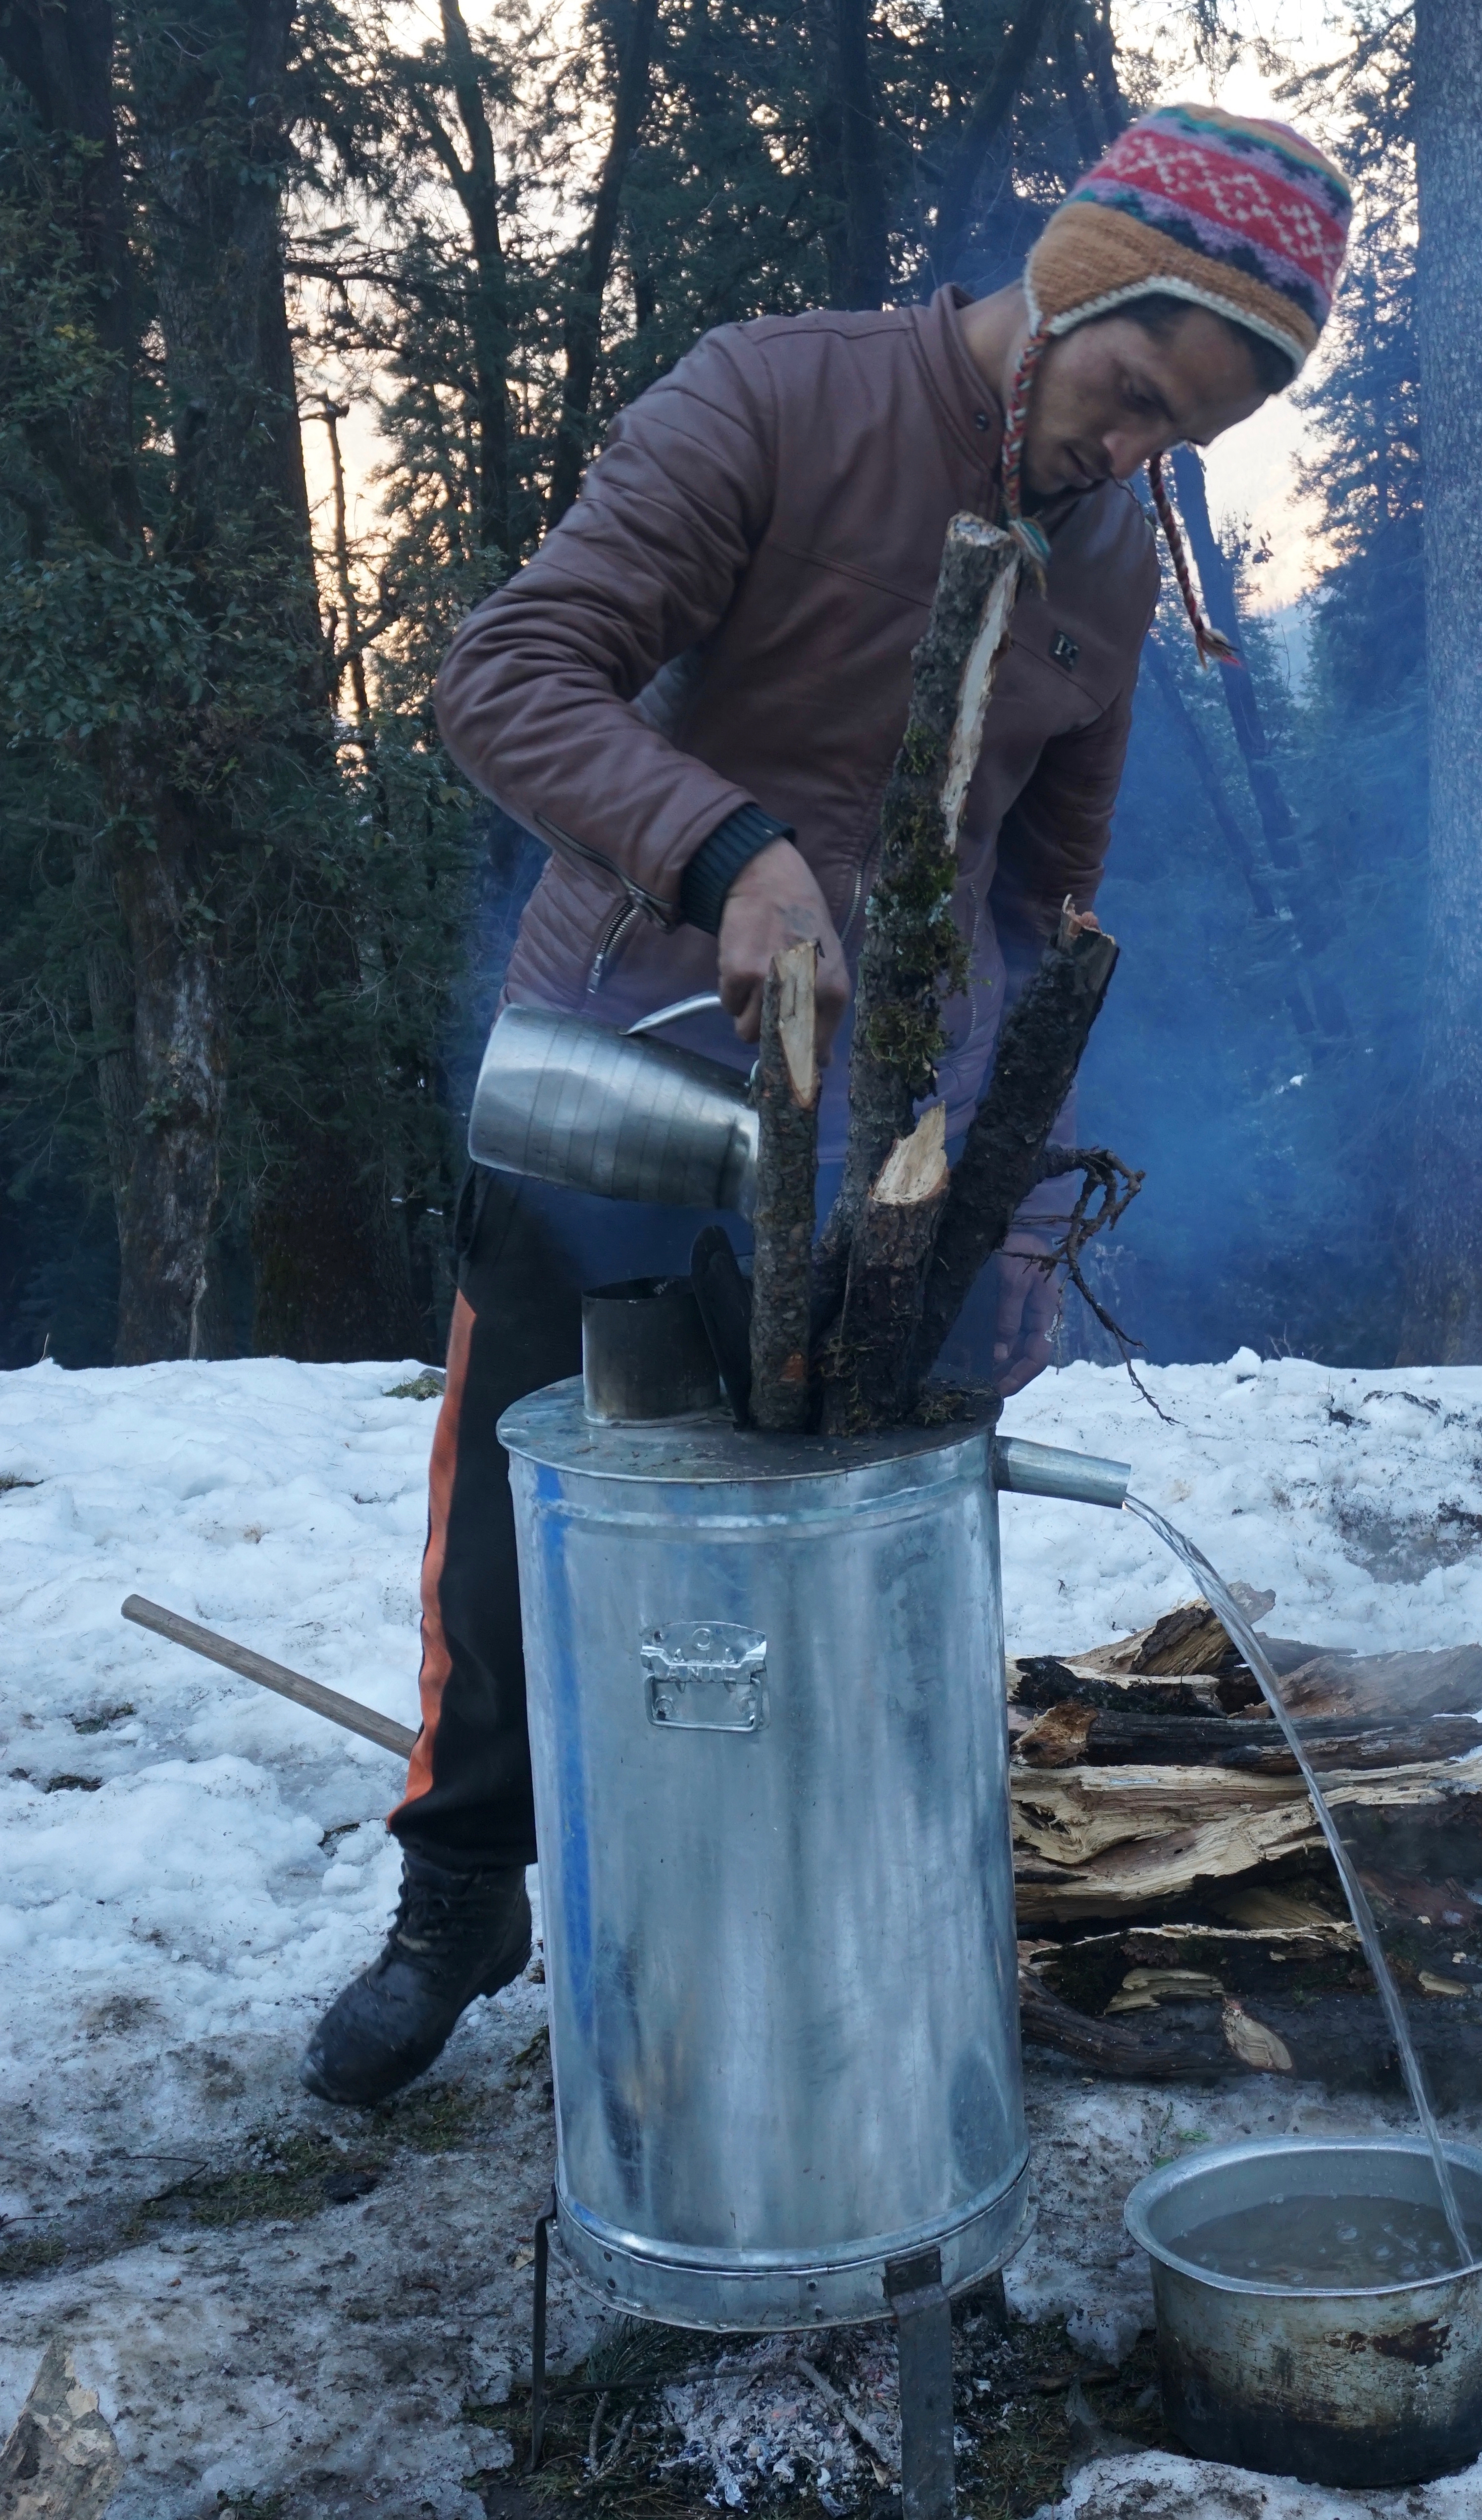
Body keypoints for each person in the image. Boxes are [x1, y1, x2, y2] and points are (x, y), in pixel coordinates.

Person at [302, 104, 1352, 2106]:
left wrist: (1013, 1213)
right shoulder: (779, 398)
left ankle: (786, 1922)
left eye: (1183, 439)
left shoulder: (1106, 549)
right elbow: (509, 676)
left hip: (889, 1155)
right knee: (526, 1528)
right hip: (621, 1069)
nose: (1130, 456)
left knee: (842, 1557)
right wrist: (730, 854)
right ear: (1070, 285)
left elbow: (1040, 903)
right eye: (1133, 395)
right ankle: (459, 1899)